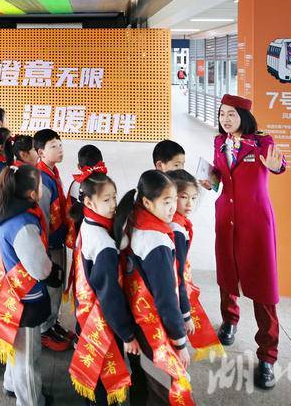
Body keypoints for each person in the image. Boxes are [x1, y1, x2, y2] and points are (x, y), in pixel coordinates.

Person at [203, 94, 285, 390]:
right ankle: (229, 320)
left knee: (263, 285)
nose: (225, 119)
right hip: (226, 218)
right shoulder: (219, 142)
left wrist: (276, 166)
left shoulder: (262, 142)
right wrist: (211, 180)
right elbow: (221, 175)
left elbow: (279, 164)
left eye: (231, 114)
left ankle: (268, 356)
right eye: (222, 114)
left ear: (244, 117)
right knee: (227, 273)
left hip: (256, 222)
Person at [121, 170, 194, 405]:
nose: (173, 208)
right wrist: (180, 342)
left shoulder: (135, 220)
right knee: (160, 386)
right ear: (147, 202)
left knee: (141, 379)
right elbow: (166, 298)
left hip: (135, 316)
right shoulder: (157, 242)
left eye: (174, 200)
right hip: (152, 326)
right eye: (166, 202)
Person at [68, 172, 138, 405]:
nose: (113, 204)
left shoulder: (88, 223)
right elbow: (110, 295)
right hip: (102, 320)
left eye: (114, 197)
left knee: (93, 371)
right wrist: (127, 334)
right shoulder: (103, 245)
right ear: (88, 202)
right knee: (102, 376)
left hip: (84, 313)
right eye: (106, 199)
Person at [0, 164, 53, 406]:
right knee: (27, 357)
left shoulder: (7, 209)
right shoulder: (23, 224)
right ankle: (30, 401)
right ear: (32, 194)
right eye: (41, 185)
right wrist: (52, 271)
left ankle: (10, 383)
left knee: (16, 349)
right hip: (24, 299)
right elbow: (39, 268)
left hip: (11, 293)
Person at [167, 169, 225, 361]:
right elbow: (177, 276)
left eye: (193, 198)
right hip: (173, 293)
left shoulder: (174, 221)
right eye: (184, 197)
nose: (190, 204)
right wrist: (185, 315)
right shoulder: (177, 230)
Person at [33, 128, 72, 352]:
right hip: (49, 245)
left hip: (57, 240)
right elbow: (43, 219)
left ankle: (52, 322)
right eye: (53, 146)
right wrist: (45, 250)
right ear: (40, 152)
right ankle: (45, 329)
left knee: (57, 285)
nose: (60, 149)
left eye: (60, 145)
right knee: (52, 286)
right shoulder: (43, 180)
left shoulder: (52, 172)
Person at [67, 145, 106, 232]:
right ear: (102, 164)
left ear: (79, 166)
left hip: (80, 232)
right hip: (102, 231)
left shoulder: (75, 185)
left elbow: (70, 211)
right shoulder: (108, 184)